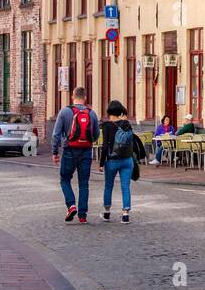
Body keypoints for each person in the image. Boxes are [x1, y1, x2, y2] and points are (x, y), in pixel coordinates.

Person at [51, 87, 100, 223]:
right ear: (85, 97)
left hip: (69, 150)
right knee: (84, 183)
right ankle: (82, 215)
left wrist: (55, 152)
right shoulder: (92, 113)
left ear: (72, 97)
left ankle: (71, 205)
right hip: (86, 151)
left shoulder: (65, 111)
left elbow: (56, 135)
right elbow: (96, 135)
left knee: (65, 179)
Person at [100, 100, 146, 223]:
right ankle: (125, 214)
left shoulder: (106, 126)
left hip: (112, 161)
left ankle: (107, 213)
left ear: (109, 112)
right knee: (125, 187)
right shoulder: (127, 124)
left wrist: (101, 163)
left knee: (108, 186)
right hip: (127, 160)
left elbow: (105, 146)